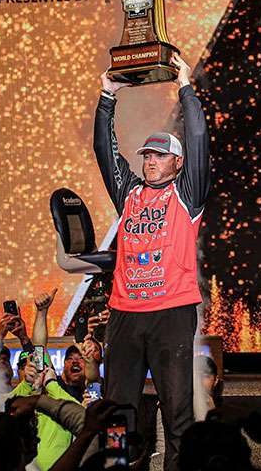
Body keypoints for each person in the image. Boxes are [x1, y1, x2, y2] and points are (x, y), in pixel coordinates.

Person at [94, 53, 210, 470]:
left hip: (171, 314)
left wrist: (185, 87)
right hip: (125, 314)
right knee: (116, 411)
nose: (150, 162)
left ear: (177, 163)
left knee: (176, 410)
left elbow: (198, 140)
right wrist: (107, 97)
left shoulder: (187, 193)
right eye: (146, 156)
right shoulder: (128, 193)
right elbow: (105, 152)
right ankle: (116, 467)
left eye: (159, 156)